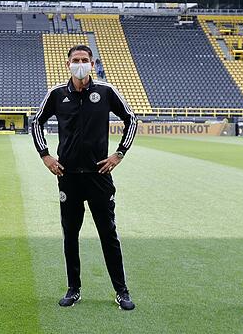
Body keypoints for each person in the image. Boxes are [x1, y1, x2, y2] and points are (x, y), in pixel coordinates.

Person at [31, 45, 138, 310]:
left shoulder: (105, 91)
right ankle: (73, 289)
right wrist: (46, 155)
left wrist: (119, 154)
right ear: (67, 64)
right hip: (68, 177)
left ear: (93, 63)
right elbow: (36, 123)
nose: (80, 64)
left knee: (108, 233)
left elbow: (131, 120)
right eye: (75, 60)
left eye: (85, 60)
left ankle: (122, 291)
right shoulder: (57, 94)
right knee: (70, 234)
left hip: (98, 175)